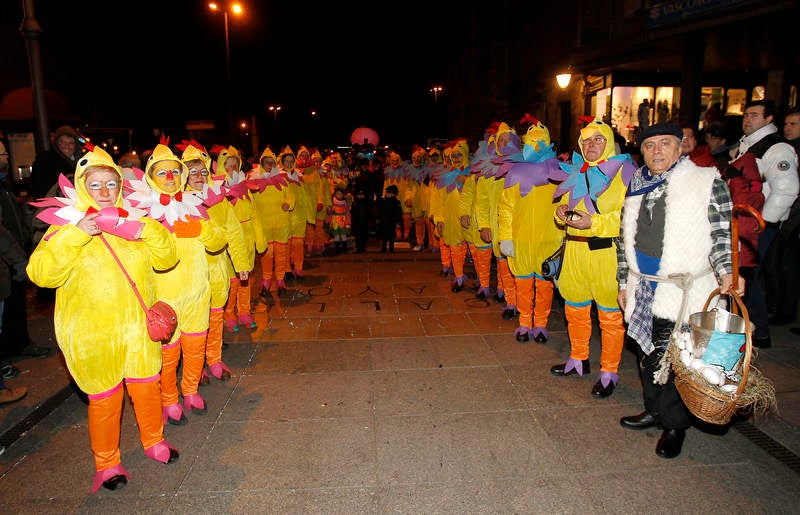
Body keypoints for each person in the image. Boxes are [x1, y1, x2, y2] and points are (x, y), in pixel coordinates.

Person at [27, 144, 180, 492]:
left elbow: (167, 258)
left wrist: (146, 230)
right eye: (95, 185)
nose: (105, 192)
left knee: (147, 390)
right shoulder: (65, 228)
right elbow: (41, 274)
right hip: (94, 336)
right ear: (82, 187)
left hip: (139, 330)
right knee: (106, 400)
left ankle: (154, 441)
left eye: (111, 184)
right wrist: (78, 233)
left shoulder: (135, 219)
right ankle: (108, 463)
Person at [617, 122, 743, 459]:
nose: (657, 151)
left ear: (681, 146)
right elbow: (623, 238)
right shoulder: (637, 183)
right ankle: (653, 409)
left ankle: (674, 425)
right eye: (649, 145)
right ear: (640, 151)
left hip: (684, 290)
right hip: (644, 285)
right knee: (648, 355)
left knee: (678, 360)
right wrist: (622, 282)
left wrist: (727, 272)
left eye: (665, 144)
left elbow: (722, 235)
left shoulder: (706, 181)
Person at [128, 141, 227, 426]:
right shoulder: (143, 214)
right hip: (165, 296)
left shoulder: (194, 206)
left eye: (174, 172)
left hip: (198, 293)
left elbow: (219, 240)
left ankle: (191, 390)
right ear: (150, 178)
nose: (170, 178)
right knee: (169, 356)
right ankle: (169, 399)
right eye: (163, 173)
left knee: (196, 348)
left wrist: (201, 229)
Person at [547, 118, 637, 398]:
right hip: (574, 251)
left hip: (606, 254)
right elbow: (564, 205)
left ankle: (609, 371)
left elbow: (629, 217)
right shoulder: (575, 171)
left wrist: (594, 224)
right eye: (585, 140)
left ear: (609, 142)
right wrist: (560, 213)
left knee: (610, 317)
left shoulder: (625, 172)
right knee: (574, 310)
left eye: (598, 139)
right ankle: (578, 358)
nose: (590, 145)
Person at [181, 143, 250, 384]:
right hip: (190, 274)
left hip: (217, 270)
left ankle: (215, 359)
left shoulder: (219, 199)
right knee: (193, 324)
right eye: (193, 172)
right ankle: (195, 365)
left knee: (215, 317)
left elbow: (234, 232)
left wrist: (241, 263)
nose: (199, 177)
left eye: (202, 171)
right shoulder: (174, 202)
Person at [733, 99, 799, 347]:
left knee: (746, 277)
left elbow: (787, 189)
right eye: (746, 114)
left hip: (759, 224)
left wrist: (764, 224)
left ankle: (759, 333)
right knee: (747, 277)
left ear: (769, 118)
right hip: (749, 221)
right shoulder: (751, 143)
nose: (748, 119)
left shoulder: (776, 148)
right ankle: (754, 331)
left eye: (754, 115)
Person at [498, 119, 563, 342]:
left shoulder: (559, 172)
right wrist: (506, 237)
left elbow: (565, 206)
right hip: (522, 240)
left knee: (544, 287)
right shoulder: (515, 173)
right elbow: (506, 208)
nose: (532, 148)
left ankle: (541, 325)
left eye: (538, 143)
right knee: (523, 284)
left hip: (548, 241)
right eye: (530, 143)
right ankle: (525, 322)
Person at [0, 137, 49, 361]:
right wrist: (16, 257)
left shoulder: (4, 183)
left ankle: (19, 345)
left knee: (15, 307)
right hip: (7, 258)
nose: (6, 158)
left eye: (6, 154)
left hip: (14, 254)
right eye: (2, 154)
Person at [770, 108, 800, 328]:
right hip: (784, 219)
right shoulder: (783, 148)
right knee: (777, 265)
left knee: (789, 267)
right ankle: (778, 305)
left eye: (794, 124)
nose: (789, 128)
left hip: (793, 221)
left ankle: (787, 310)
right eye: (787, 124)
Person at [29, 125, 82, 200]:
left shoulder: (81, 161)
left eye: (71, 143)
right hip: (53, 204)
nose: (67, 146)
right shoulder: (45, 160)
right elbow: (38, 187)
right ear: (57, 143)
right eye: (62, 142)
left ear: (75, 145)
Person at [377, 184, 402, 253]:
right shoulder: (383, 201)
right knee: (384, 236)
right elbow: (380, 211)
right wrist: (378, 219)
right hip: (384, 221)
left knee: (391, 236)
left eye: (388, 192)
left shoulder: (396, 202)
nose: (387, 194)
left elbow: (398, 213)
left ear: (393, 194)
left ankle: (391, 249)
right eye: (387, 192)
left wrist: (398, 222)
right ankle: (383, 248)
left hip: (392, 222)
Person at [327, 186, 351, 254]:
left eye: (340, 194)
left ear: (343, 195)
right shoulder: (333, 202)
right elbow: (330, 213)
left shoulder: (345, 203)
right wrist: (329, 210)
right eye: (337, 194)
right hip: (335, 222)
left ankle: (344, 249)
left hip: (343, 221)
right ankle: (337, 249)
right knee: (336, 236)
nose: (338, 195)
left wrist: (348, 223)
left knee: (343, 235)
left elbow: (348, 213)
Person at [350, 188, 370, 253]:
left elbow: (370, 213)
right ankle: (358, 247)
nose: (360, 196)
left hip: (365, 223)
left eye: (362, 195)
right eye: (359, 195)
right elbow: (352, 214)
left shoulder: (367, 203)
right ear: (356, 195)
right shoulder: (354, 204)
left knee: (364, 236)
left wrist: (370, 221)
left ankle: (363, 247)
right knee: (357, 236)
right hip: (357, 223)